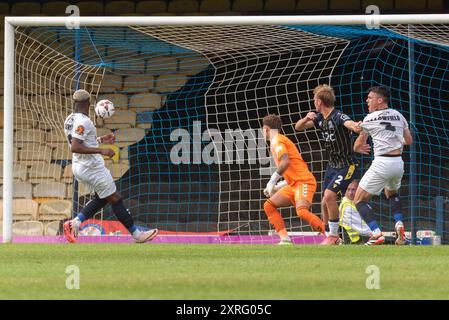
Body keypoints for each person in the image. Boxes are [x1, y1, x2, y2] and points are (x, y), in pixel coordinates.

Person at [63, 89, 158, 243]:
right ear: (88, 103)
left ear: (75, 102)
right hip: (92, 168)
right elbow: (75, 146)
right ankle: (137, 235)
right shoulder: (84, 121)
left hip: (80, 166)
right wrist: (102, 150)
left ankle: (75, 223)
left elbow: (82, 141)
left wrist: (101, 139)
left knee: (103, 197)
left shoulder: (70, 119)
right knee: (115, 198)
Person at [295, 84, 362, 245]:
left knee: (330, 196)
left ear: (319, 102)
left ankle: (333, 236)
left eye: (314, 100)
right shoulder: (319, 119)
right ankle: (329, 235)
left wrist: (356, 126)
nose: (313, 102)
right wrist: (306, 118)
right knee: (324, 202)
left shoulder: (338, 116)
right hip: (332, 166)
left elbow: (350, 124)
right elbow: (298, 127)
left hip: (347, 165)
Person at [353, 86, 413, 245]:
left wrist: (358, 147)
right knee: (392, 194)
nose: (367, 100)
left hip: (382, 163)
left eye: (370, 97)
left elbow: (358, 144)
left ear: (380, 100)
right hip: (398, 163)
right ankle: (399, 224)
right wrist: (394, 141)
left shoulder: (369, 118)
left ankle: (376, 233)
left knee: (358, 200)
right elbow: (409, 141)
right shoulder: (399, 115)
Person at [262, 114, 325, 245]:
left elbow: (285, 163)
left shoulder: (277, 141)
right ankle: (284, 239)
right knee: (269, 205)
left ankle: (332, 237)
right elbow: (291, 171)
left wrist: (272, 181)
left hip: (304, 182)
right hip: (294, 184)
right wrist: (278, 186)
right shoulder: (278, 141)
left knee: (301, 211)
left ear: (266, 129)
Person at [339, 179, 372, 244]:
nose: (350, 193)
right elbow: (364, 230)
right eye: (348, 189)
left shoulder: (356, 202)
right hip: (356, 240)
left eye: (353, 190)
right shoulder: (347, 207)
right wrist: (376, 233)